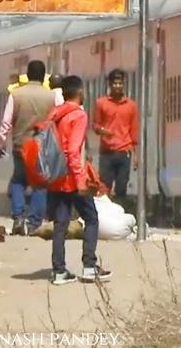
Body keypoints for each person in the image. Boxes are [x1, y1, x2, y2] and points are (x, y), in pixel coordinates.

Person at [46, 75, 111, 286]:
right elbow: (73, 151)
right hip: (71, 178)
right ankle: (90, 266)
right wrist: (80, 179)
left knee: (60, 224)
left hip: (55, 176)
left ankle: (59, 271)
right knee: (91, 218)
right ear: (80, 92)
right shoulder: (78, 116)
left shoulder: (54, 114)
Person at [0, 61, 54, 236]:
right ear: (43, 76)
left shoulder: (16, 94)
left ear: (27, 75)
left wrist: (1, 142)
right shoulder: (52, 96)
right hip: (43, 146)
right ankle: (34, 222)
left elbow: (6, 122)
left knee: (18, 181)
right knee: (40, 183)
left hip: (21, 145)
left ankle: (18, 217)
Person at [93, 69, 139, 210]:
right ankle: (105, 212)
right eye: (115, 83)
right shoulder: (101, 103)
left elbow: (134, 131)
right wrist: (102, 131)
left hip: (124, 151)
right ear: (110, 84)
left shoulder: (131, 106)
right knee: (104, 186)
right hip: (107, 151)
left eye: (120, 83)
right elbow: (95, 125)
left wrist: (136, 154)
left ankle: (119, 211)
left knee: (122, 185)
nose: (118, 86)